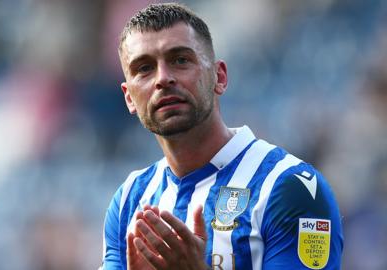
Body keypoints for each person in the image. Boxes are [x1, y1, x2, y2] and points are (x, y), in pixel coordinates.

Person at [101, 3, 343, 270]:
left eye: (180, 60)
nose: (163, 78)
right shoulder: (129, 200)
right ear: (128, 97)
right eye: (144, 68)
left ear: (220, 76)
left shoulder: (290, 187)